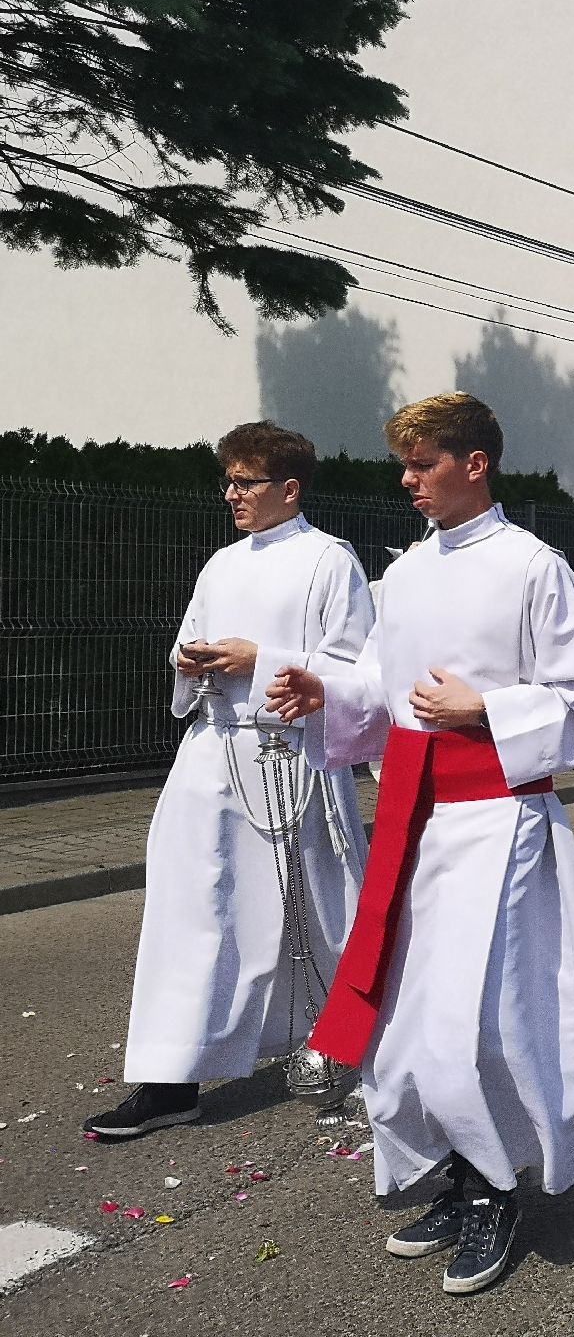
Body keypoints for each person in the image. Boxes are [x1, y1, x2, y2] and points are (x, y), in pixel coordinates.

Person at [265, 392, 574, 1297]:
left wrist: (485, 708)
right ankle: (463, 1174)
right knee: (411, 1018)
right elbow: (380, 682)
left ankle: (498, 1187)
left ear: (475, 464)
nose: (408, 481)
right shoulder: (410, 574)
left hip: (500, 819)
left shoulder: (533, 567)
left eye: (424, 464)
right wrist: (327, 690)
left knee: (479, 1018)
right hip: (417, 821)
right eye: (406, 465)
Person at [87, 423, 374, 1142]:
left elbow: (358, 673)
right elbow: (188, 642)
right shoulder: (220, 563)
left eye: (246, 482)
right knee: (188, 913)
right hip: (211, 753)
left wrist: (261, 659)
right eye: (229, 481)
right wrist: (190, 661)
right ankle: (170, 1080)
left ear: (290, 488)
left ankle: (367, 1046)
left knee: (317, 910)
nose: (232, 494)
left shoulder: (330, 561)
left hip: (290, 758)